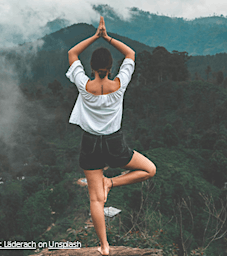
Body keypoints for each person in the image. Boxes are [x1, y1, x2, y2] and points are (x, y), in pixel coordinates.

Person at [66, 16, 156, 255]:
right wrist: (108, 38)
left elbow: (72, 54)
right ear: (110, 67)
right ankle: (112, 182)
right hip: (115, 144)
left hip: (90, 145)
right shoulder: (120, 84)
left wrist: (95, 36)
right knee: (149, 170)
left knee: (96, 200)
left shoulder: (84, 85)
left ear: (93, 67)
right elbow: (131, 54)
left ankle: (104, 247)